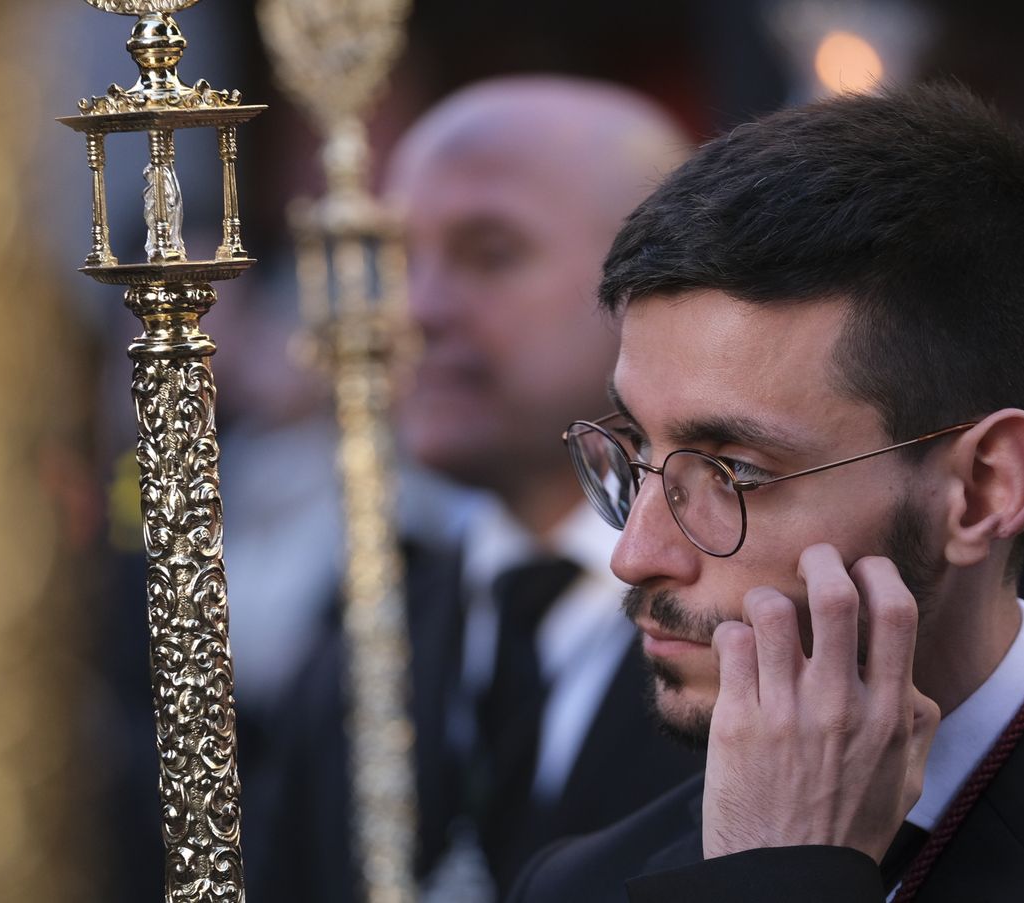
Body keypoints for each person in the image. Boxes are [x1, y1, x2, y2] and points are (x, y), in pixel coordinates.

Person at [508, 84, 1024, 902]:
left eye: (734, 471)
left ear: (983, 488)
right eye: (641, 445)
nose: (633, 552)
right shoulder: (579, 883)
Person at [246, 76, 701, 901]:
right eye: (395, 259)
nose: (416, 310)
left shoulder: (766, 640)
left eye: (489, 252)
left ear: (659, 279)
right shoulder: (357, 652)